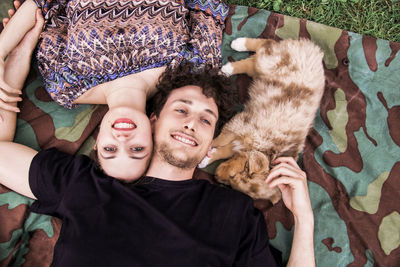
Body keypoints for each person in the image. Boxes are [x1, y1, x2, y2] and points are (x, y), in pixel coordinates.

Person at [0, 56, 315, 265]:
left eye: (207, 120)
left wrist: (304, 218)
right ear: (151, 122)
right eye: (181, 109)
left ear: (209, 149)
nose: (192, 123)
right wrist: (15, 66)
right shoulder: (85, 185)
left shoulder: (233, 214)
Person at [0, 0, 228, 181]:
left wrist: (5, 49)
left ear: (98, 142)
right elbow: (208, 8)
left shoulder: (66, 85)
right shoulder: (187, 71)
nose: (122, 139)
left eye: (110, 149)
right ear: (153, 130)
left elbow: (44, 6)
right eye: (137, 149)